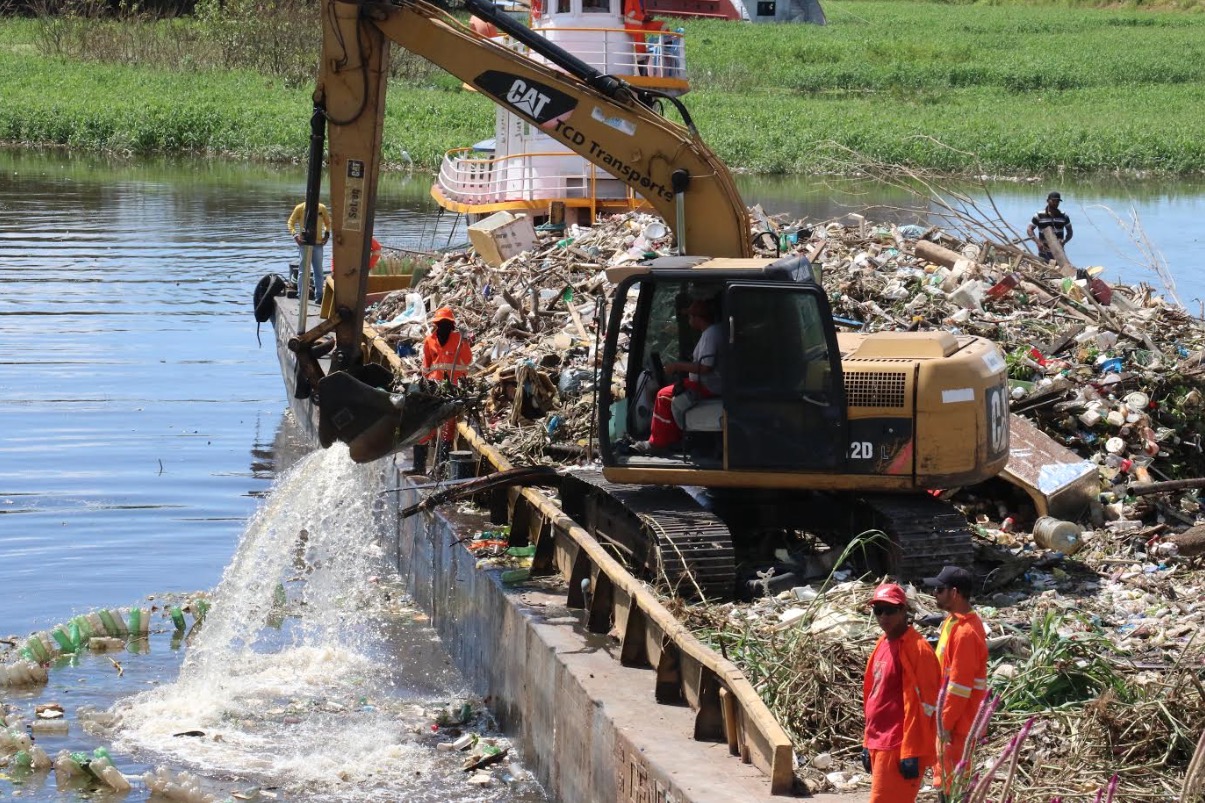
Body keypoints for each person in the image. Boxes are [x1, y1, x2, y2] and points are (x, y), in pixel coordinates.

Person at [862, 583, 942, 803]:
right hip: (879, 742)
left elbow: (924, 705)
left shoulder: (917, 649)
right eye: (878, 610)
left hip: (898, 745)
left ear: (903, 610)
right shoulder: (883, 644)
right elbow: (873, 696)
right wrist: (866, 742)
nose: (883, 616)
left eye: (890, 610)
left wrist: (911, 751)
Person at [923, 565, 989, 802]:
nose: (934, 594)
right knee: (946, 777)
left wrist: (945, 723)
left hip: (958, 723)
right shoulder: (953, 623)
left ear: (954, 593)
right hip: (950, 719)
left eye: (939, 590)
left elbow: (960, 686)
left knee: (952, 784)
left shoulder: (965, 633)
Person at [636, 298, 722, 453]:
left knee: (663, 395)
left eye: (690, 316)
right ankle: (673, 438)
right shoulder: (712, 332)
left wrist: (677, 366)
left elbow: (706, 368)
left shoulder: (711, 334)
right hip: (707, 383)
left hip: (709, 385)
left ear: (697, 318)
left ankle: (657, 443)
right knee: (673, 390)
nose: (689, 319)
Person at [422, 306, 474, 448]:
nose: (443, 327)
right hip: (435, 388)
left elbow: (467, 360)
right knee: (428, 423)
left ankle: (443, 460)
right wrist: (424, 385)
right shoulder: (429, 340)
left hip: (453, 388)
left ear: (451, 325)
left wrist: (464, 343)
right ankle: (419, 462)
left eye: (446, 324)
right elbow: (426, 366)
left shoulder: (459, 340)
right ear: (436, 324)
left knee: (448, 425)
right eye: (441, 323)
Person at [287, 201, 332, 304]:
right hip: (304, 244)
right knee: (303, 271)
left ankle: (319, 296)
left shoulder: (322, 207)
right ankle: (301, 295)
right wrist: (295, 235)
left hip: (318, 244)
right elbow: (290, 222)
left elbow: (328, 223)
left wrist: (327, 234)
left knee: (318, 271)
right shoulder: (300, 208)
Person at [1027, 191, 1073, 263]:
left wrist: (1064, 241)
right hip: (1044, 251)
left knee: (1060, 271)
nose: (1055, 203)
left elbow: (1070, 231)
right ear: (1048, 201)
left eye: (1057, 201)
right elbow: (1029, 229)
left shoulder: (1064, 216)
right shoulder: (1039, 215)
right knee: (1045, 269)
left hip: (1059, 251)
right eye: (1053, 201)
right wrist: (1038, 242)